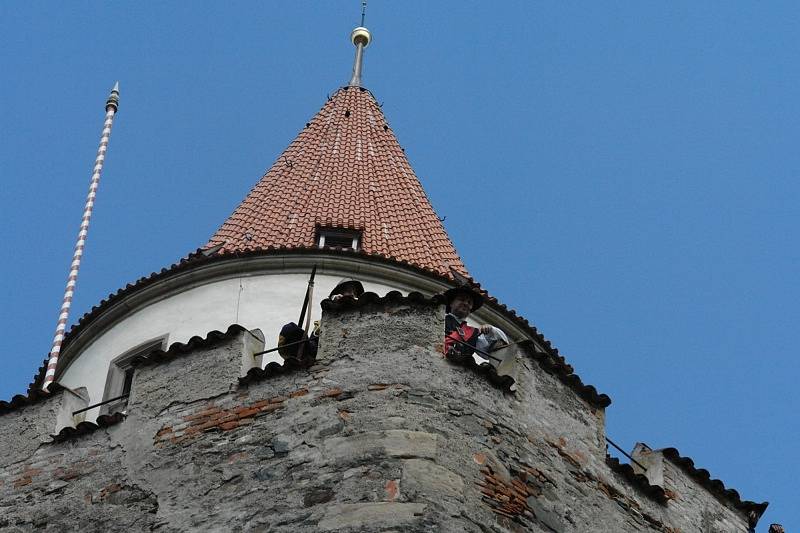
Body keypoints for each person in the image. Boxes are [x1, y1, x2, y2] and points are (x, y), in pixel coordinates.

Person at [278, 278, 365, 363]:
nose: (352, 294)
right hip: (319, 350)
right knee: (290, 329)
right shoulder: (326, 315)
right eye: (348, 290)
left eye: (354, 292)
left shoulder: (362, 313)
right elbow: (313, 342)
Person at [442, 286, 508, 360]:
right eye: (462, 299)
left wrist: (490, 329)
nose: (466, 303)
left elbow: (486, 354)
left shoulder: (473, 332)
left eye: (469, 302)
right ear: (451, 303)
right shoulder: (440, 318)